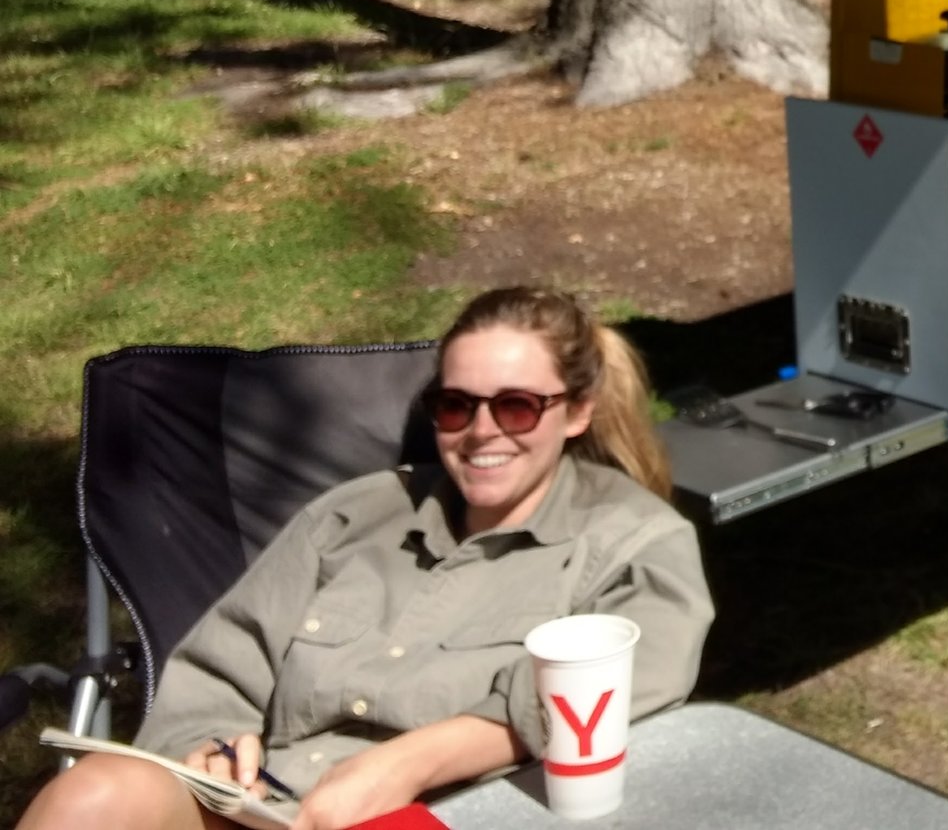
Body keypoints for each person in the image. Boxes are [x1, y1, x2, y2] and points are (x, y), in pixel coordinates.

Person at [18, 287, 715, 830]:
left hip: (454, 814)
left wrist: (413, 761)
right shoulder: (359, 515)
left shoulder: (632, 541)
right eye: (455, 405)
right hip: (272, 808)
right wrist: (212, 745)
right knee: (98, 792)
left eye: (517, 407)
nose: (481, 433)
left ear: (577, 412)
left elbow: (626, 680)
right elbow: (222, 665)